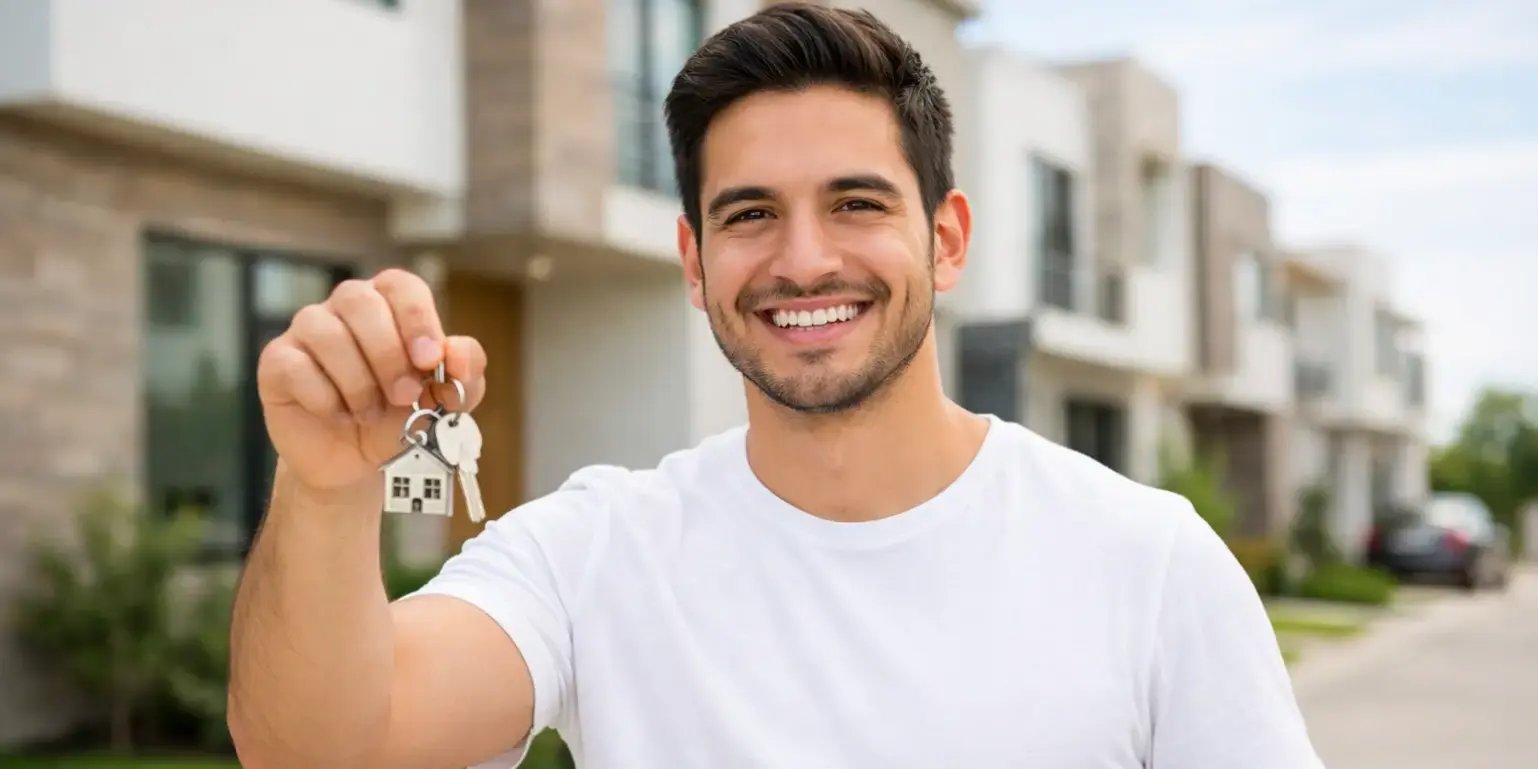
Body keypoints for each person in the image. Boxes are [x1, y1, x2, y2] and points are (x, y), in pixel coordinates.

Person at [227, 4, 1323, 768]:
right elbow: (324, 749)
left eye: (856, 203)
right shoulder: (595, 552)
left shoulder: (1149, 563)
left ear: (945, 239)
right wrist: (325, 486)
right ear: (695, 261)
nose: (802, 260)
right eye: (750, 213)